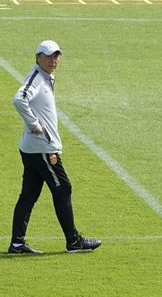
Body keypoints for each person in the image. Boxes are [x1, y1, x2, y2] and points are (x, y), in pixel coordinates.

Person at [8, 40, 101, 254]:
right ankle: (74, 241)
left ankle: (17, 243)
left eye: (56, 56)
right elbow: (19, 98)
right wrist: (35, 125)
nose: (54, 60)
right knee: (63, 188)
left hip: (34, 147)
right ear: (38, 57)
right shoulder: (37, 79)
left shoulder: (46, 78)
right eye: (49, 56)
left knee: (29, 194)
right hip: (42, 148)